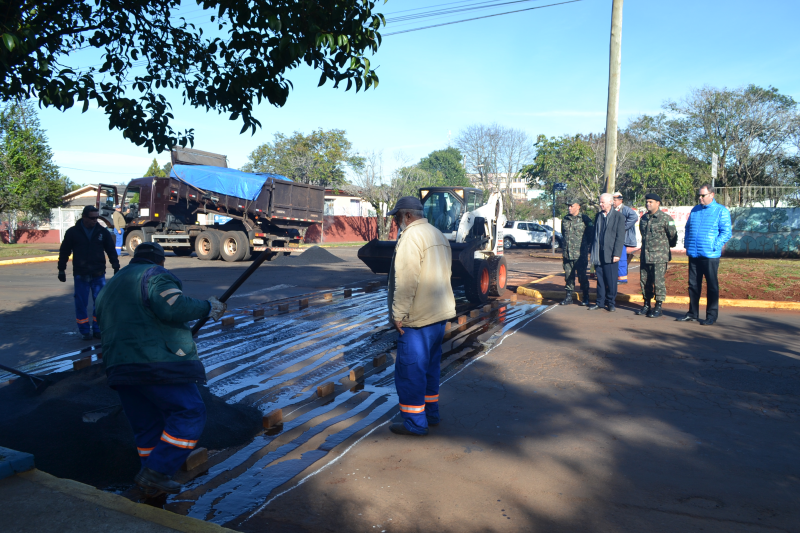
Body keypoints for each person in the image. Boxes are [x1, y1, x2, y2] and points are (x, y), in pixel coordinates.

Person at [95, 242, 226, 495]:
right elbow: (173, 306)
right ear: (159, 261)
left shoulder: (109, 287)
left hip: (120, 368)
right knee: (189, 412)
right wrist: (208, 308)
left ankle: (150, 480)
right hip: (156, 363)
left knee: (147, 426)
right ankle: (157, 472)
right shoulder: (154, 275)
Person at [387, 196, 456, 436]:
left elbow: (406, 281)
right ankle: (431, 415)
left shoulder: (410, 238)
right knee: (430, 369)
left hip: (417, 320)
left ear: (407, 216)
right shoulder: (438, 234)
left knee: (411, 372)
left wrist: (398, 315)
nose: (397, 223)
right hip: (438, 316)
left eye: (397, 217)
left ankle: (415, 424)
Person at [57, 205, 120, 340]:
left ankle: (97, 329)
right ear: (84, 217)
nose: (94, 220)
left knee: (100, 303)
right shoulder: (73, 232)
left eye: (97, 218)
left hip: (98, 273)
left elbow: (110, 250)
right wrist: (61, 269)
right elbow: (64, 251)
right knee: (81, 302)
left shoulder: (102, 232)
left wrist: (115, 265)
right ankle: (84, 330)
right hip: (81, 274)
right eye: (92, 218)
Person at [678, 184, 732, 326]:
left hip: (710, 255)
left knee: (712, 285)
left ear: (712, 195)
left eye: (703, 195)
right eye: (699, 195)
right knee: (693, 285)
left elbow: (726, 232)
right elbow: (688, 228)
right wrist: (688, 244)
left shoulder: (721, 211)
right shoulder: (695, 210)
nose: (700, 198)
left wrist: (714, 245)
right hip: (694, 253)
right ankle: (692, 313)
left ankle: (711, 315)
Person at [637, 193, 677, 318]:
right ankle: (646, 305)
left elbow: (673, 237)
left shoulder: (666, 219)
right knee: (644, 281)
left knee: (658, 282)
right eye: (647, 202)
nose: (648, 204)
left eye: (651, 202)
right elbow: (643, 233)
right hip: (645, 255)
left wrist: (663, 249)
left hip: (659, 256)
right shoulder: (643, 218)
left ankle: (658, 307)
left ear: (658, 203)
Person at [588, 193, 626, 312]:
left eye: (603, 202)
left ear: (610, 202)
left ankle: (611, 302)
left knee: (611, 280)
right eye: (600, 202)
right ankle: (600, 302)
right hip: (598, 254)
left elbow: (620, 237)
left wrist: (617, 254)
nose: (600, 204)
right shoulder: (598, 216)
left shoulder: (619, 217)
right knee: (600, 280)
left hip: (611, 254)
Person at [559, 198, 593, 306]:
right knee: (568, 276)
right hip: (567, 253)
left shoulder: (585, 219)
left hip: (580, 254)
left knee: (582, 276)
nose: (569, 208)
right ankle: (569, 296)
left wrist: (586, 248)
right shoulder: (565, 219)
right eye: (568, 206)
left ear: (578, 206)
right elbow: (564, 234)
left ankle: (586, 296)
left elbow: (590, 236)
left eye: (571, 205)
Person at [612, 192, 639, 284]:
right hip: (614, 239)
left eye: (615, 200)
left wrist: (623, 227)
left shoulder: (626, 209)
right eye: (613, 200)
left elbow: (634, 217)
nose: (613, 202)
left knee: (622, 258)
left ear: (620, 200)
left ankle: (622, 278)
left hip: (623, 239)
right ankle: (617, 276)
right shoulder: (613, 209)